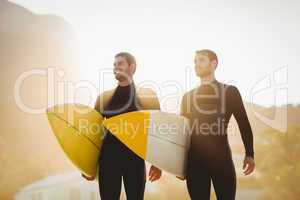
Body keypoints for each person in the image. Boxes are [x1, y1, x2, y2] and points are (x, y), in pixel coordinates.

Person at [82, 52, 162, 200]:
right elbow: (94, 133)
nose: (115, 67)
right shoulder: (104, 98)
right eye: (114, 65)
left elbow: (158, 129)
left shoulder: (147, 96)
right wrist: (87, 165)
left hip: (135, 159)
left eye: (120, 64)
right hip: (107, 161)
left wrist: (158, 163)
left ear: (132, 67)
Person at [179, 49, 255, 200]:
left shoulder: (229, 91)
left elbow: (243, 123)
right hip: (195, 164)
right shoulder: (187, 97)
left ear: (214, 64)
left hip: (222, 161)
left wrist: (249, 153)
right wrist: (179, 164)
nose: (196, 64)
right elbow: (182, 133)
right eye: (195, 61)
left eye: (201, 60)